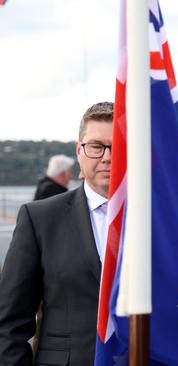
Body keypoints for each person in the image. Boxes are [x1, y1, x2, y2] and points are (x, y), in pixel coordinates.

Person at [0, 102, 113, 365]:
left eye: (118, 145)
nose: (107, 156)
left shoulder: (160, 221)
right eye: (96, 146)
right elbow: (9, 323)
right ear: (79, 151)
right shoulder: (39, 218)